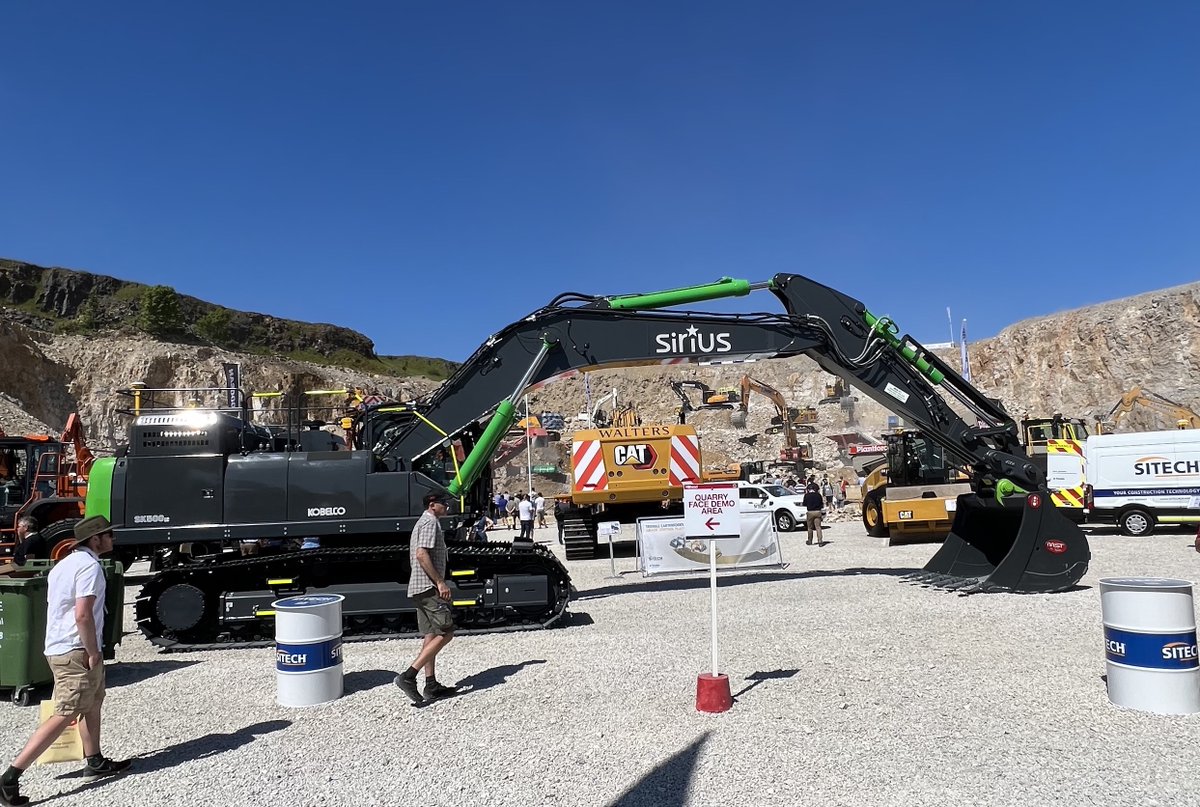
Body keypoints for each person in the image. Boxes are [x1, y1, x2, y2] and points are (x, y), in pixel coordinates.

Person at [1, 515, 131, 805]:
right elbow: (82, 614)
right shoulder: (89, 567)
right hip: (77, 649)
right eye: (109, 535)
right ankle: (10, 778)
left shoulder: (65, 564)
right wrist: (93, 650)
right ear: (95, 540)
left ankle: (94, 759)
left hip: (62, 646)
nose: (112, 539)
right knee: (67, 712)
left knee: (93, 701)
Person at [394, 494, 459, 706]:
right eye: (444, 502)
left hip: (419, 587)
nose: (447, 505)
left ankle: (431, 685)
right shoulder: (430, 522)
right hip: (429, 587)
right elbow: (422, 554)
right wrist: (440, 582)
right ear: (432, 505)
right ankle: (409, 676)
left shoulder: (423, 522)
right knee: (446, 632)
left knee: (431, 634)